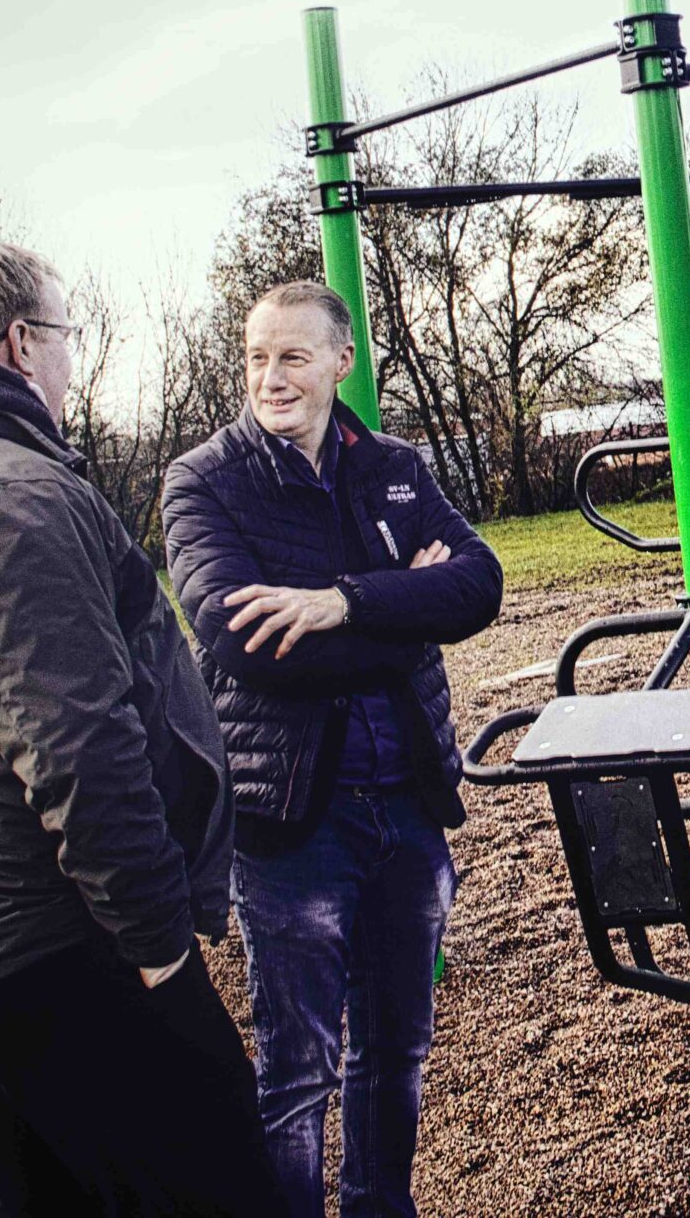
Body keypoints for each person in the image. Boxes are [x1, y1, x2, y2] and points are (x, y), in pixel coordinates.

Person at [0, 239, 282, 1218]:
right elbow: (75, 750)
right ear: (20, 344)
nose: (72, 360)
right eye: (66, 336)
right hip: (53, 938)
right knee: (225, 1185)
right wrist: (159, 947)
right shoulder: (10, 497)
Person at [162, 279, 502, 1218]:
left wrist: (340, 601)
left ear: (340, 361)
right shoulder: (204, 479)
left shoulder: (393, 466)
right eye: (257, 357)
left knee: (396, 1050)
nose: (270, 377)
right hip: (290, 822)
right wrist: (404, 602)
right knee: (297, 1069)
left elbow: (479, 586)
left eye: (292, 356)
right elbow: (244, 643)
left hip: (409, 803)